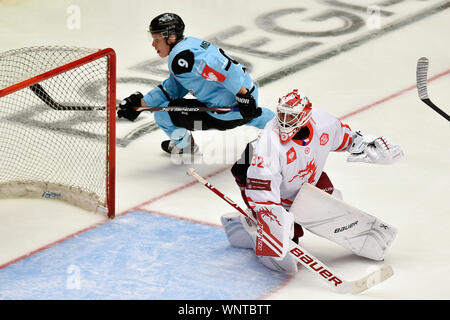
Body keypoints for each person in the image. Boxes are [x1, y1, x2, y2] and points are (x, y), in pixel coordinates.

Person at [221, 89, 403, 274]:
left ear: (304, 115)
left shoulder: (323, 124)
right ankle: (249, 227)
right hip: (253, 178)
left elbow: (352, 140)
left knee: (331, 198)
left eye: (290, 116)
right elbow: (262, 190)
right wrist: (272, 221)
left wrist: (374, 148)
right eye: (281, 114)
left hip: (301, 178)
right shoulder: (268, 144)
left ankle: (273, 220)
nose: (284, 121)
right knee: (286, 231)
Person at [117, 13, 275, 155]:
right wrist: (142, 103)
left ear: (171, 37)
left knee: (163, 114)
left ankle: (185, 146)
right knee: (253, 115)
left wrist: (242, 96)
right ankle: (283, 127)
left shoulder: (181, 58)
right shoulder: (188, 45)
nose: (153, 44)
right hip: (246, 103)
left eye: (157, 40)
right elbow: (175, 87)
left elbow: (225, 70)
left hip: (224, 115)